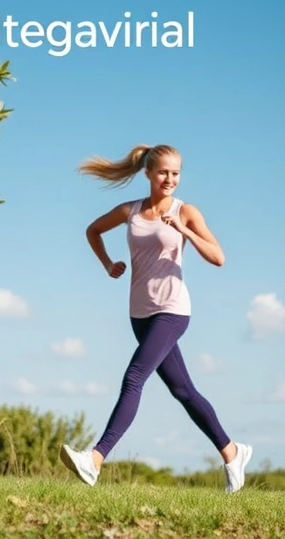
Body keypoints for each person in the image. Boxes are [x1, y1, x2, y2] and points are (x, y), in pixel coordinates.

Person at [59, 144, 252, 494]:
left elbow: (219, 257)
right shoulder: (130, 211)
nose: (170, 179)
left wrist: (184, 230)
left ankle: (95, 460)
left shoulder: (185, 211)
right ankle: (232, 452)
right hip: (140, 313)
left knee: (134, 377)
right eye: (163, 172)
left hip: (172, 310)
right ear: (148, 173)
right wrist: (107, 264)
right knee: (183, 390)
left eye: (176, 173)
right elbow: (92, 230)